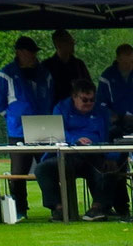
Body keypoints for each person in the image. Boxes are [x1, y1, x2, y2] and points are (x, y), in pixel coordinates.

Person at [36, 79, 123, 220]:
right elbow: (58, 133)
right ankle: (59, 209)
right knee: (42, 169)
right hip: (68, 155)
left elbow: (108, 137)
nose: (89, 103)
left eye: (92, 100)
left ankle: (98, 208)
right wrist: (75, 140)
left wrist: (111, 156)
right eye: (84, 99)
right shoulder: (61, 108)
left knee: (110, 167)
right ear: (74, 97)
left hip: (95, 155)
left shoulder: (102, 111)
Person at [0, 36, 49, 215]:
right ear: (19, 52)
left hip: (43, 127)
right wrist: (13, 118)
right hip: (18, 130)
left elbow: (50, 96)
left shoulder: (44, 73)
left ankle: (57, 206)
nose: (33, 56)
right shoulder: (5, 74)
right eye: (30, 52)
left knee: (49, 167)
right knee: (18, 172)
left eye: (34, 52)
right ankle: (19, 209)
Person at [38, 29, 92, 110]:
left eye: (73, 41)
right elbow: (41, 92)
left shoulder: (79, 65)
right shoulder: (47, 66)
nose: (73, 44)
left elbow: (89, 88)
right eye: (69, 42)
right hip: (55, 111)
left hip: (77, 111)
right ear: (58, 45)